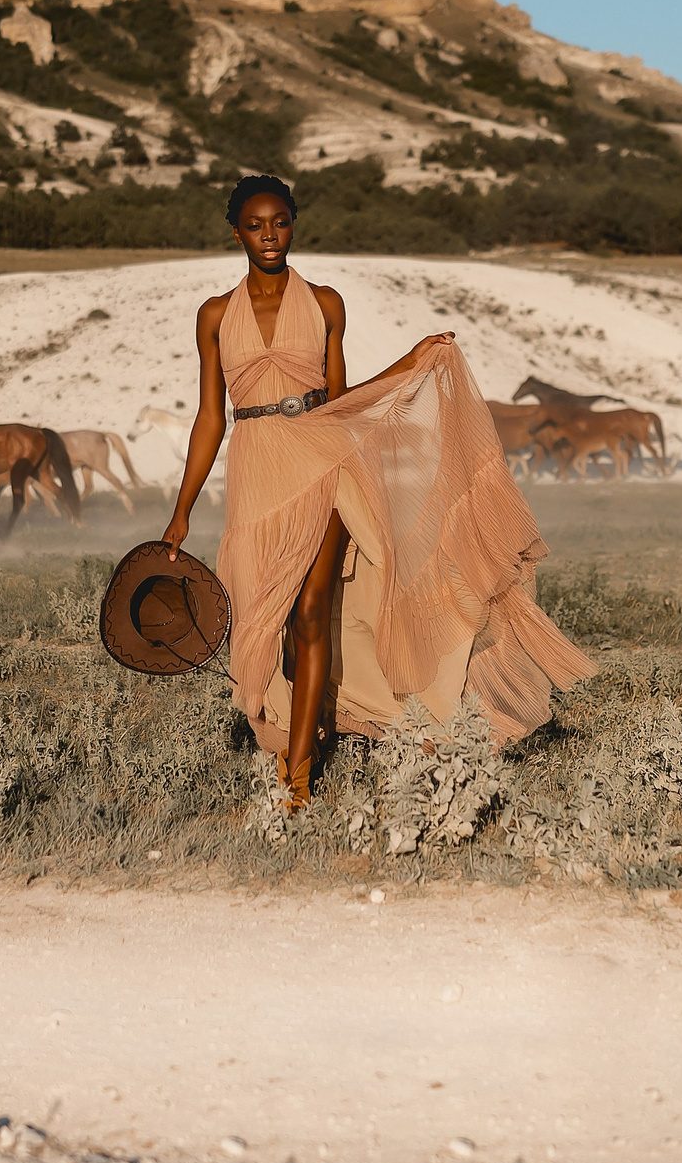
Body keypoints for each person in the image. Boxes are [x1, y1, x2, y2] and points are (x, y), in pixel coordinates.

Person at [160, 175, 596, 806]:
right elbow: (210, 419)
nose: (269, 236)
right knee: (268, 619)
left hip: (323, 463)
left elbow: (343, 404)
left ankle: (299, 779)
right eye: (255, 226)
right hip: (256, 471)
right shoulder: (215, 316)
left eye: (280, 222)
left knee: (310, 616)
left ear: (294, 224)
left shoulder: (326, 304)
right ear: (235, 231)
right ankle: (297, 737)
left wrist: (412, 362)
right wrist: (181, 513)